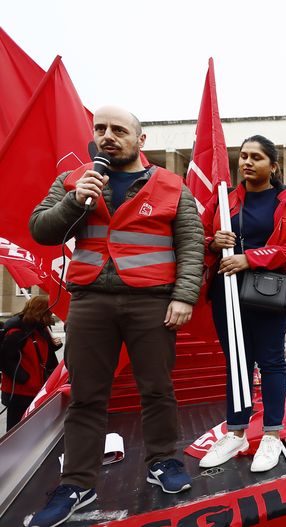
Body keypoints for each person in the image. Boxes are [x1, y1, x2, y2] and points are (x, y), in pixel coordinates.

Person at [27, 106, 204, 527]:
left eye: (119, 130)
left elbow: (192, 246)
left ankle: (164, 462)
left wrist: (184, 297)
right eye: (101, 129)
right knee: (86, 395)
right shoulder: (73, 181)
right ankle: (77, 485)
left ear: (140, 140)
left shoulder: (172, 185)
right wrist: (75, 201)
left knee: (157, 389)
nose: (108, 136)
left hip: (152, 302)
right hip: (90, 301)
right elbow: (41, 229)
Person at [199, 135, 286, 472]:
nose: (246, 162)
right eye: (243, 156)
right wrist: (213, 241)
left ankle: (272, 434)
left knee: (271, 360)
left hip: (267, 291)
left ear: (273, 166)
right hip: (226, 291)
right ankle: (236, 432)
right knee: (236, 361)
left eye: (256, 157)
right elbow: (199, 237)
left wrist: (251, 258)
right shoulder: (224, 199)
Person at [0, 296, 61, 431]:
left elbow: (42, 352)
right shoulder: (16, 331)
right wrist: (25, 378)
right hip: (19, 391)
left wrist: (54, 345)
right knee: (16, 430)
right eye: (49, 311)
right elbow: (5, 360)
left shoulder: (40, 328)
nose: (51, 314)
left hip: (38, 389)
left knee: (35, 430)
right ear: (41, 311)